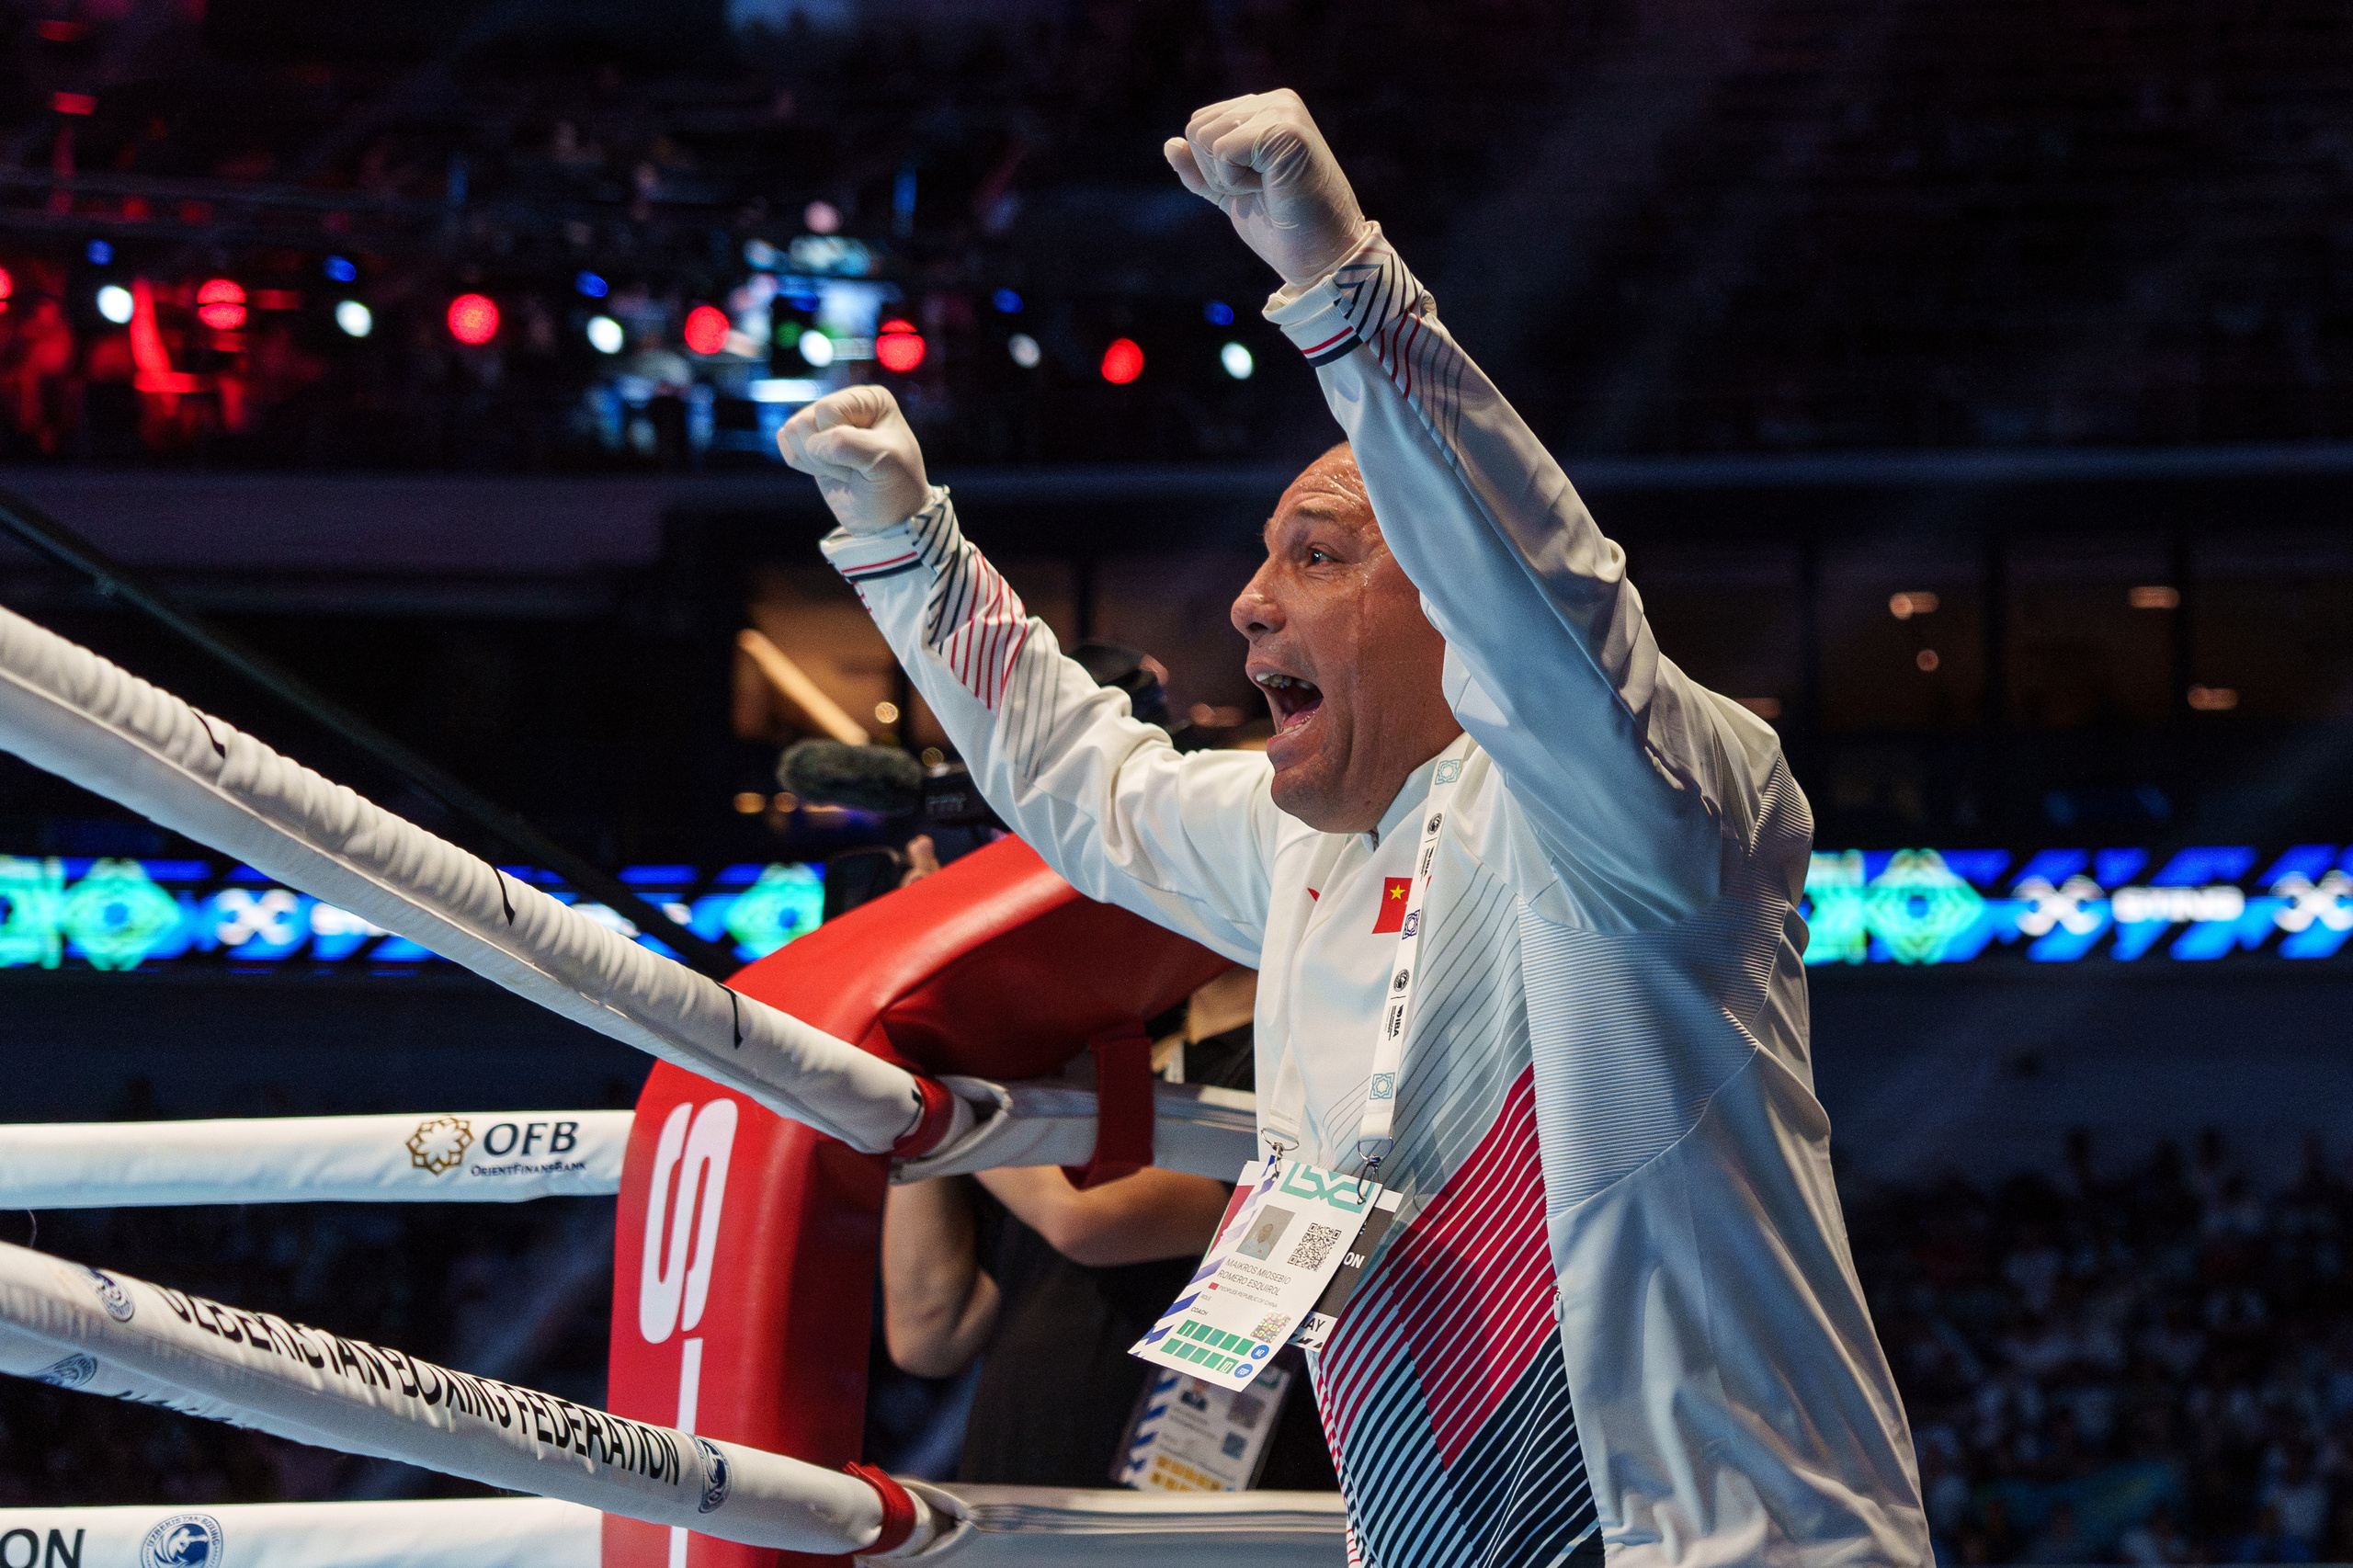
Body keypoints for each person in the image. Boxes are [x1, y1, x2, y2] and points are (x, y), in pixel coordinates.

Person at [785, 89, 1926, 1568]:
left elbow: (1552, 602)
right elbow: (1086, 785)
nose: (1251, 602)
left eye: (1316, 555)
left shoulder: (1650, 808)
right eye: (1262, 562)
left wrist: (1348, 296)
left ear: (1446, 602)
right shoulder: (1305, 848)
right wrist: (905, 548)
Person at [881, 970, 1337, 1490]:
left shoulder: (1315, 1070)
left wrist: (939, 1108)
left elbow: (1088, 1218)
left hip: (1188, 1526)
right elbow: (930, 1331)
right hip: (1017, 1508)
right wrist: (916, 1082)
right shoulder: (1075, 1065)